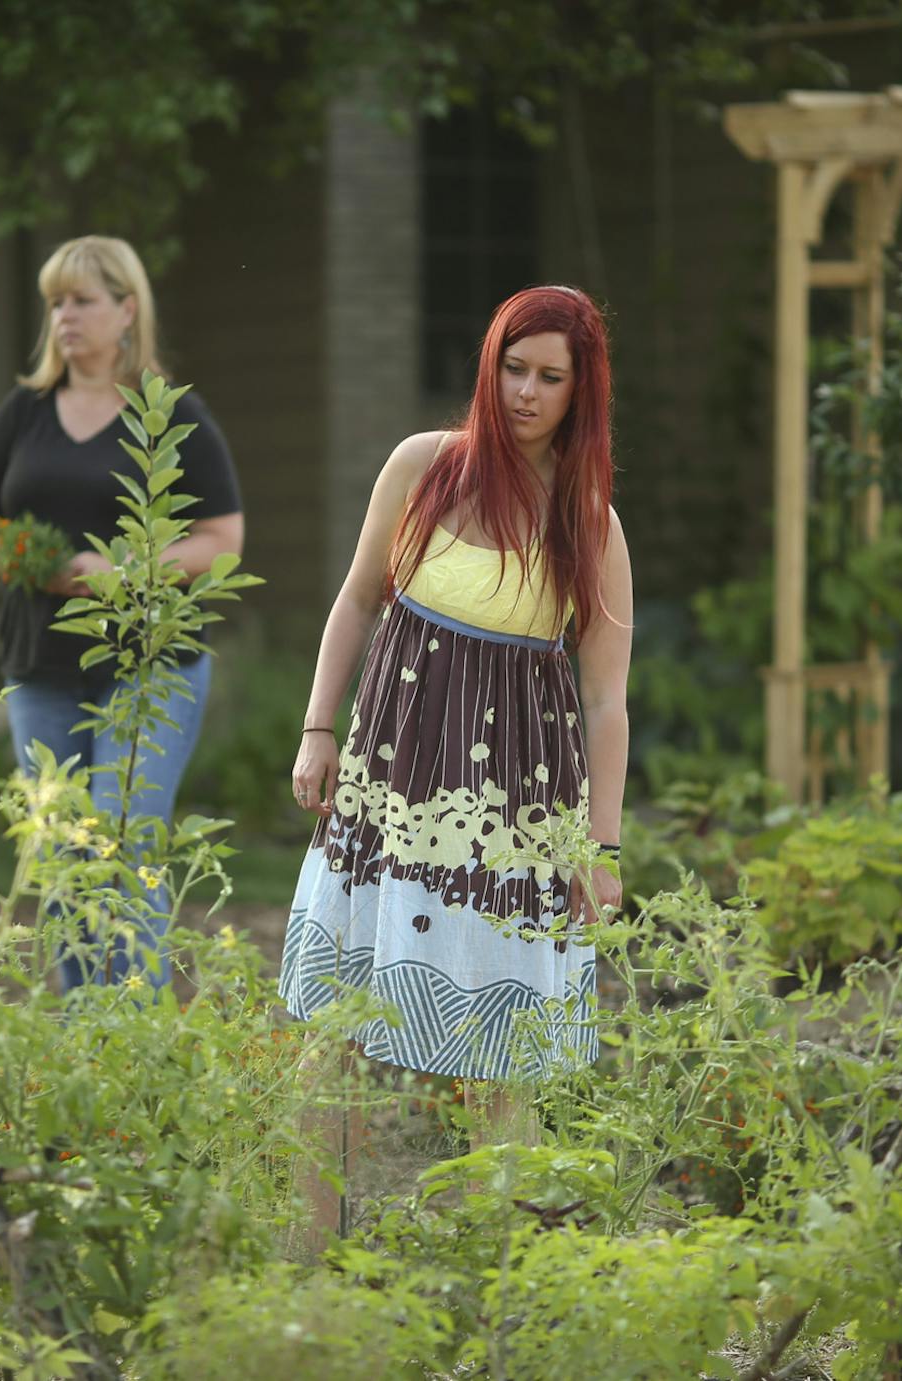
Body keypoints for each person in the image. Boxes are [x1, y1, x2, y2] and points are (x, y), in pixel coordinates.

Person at [280, 285, 632, 1227]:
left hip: (512, 814)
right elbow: (357, 599)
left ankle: (496, 1266)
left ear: (581, 390)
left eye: (550, 377)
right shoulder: (423, 467)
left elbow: (606, 698)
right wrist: (318, 728)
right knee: (338, 1022)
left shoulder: (589, 521)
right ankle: (311, 1251)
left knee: (501, 1046)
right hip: (388, 789)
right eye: (514, 368)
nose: (526, 392)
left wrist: (601, 849)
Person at [0, 234, 244, 991]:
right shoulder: (23, 413)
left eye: (81, 301)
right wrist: (33, 561)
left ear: (127, 309)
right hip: (42, 664)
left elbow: (222, 541)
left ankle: (132, 1029)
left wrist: (127, 571)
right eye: (55, 303)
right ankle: (83, 1030)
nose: (64, 318)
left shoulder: (170, 414)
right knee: (61, 850)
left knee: (124, 838)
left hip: (152, 663)